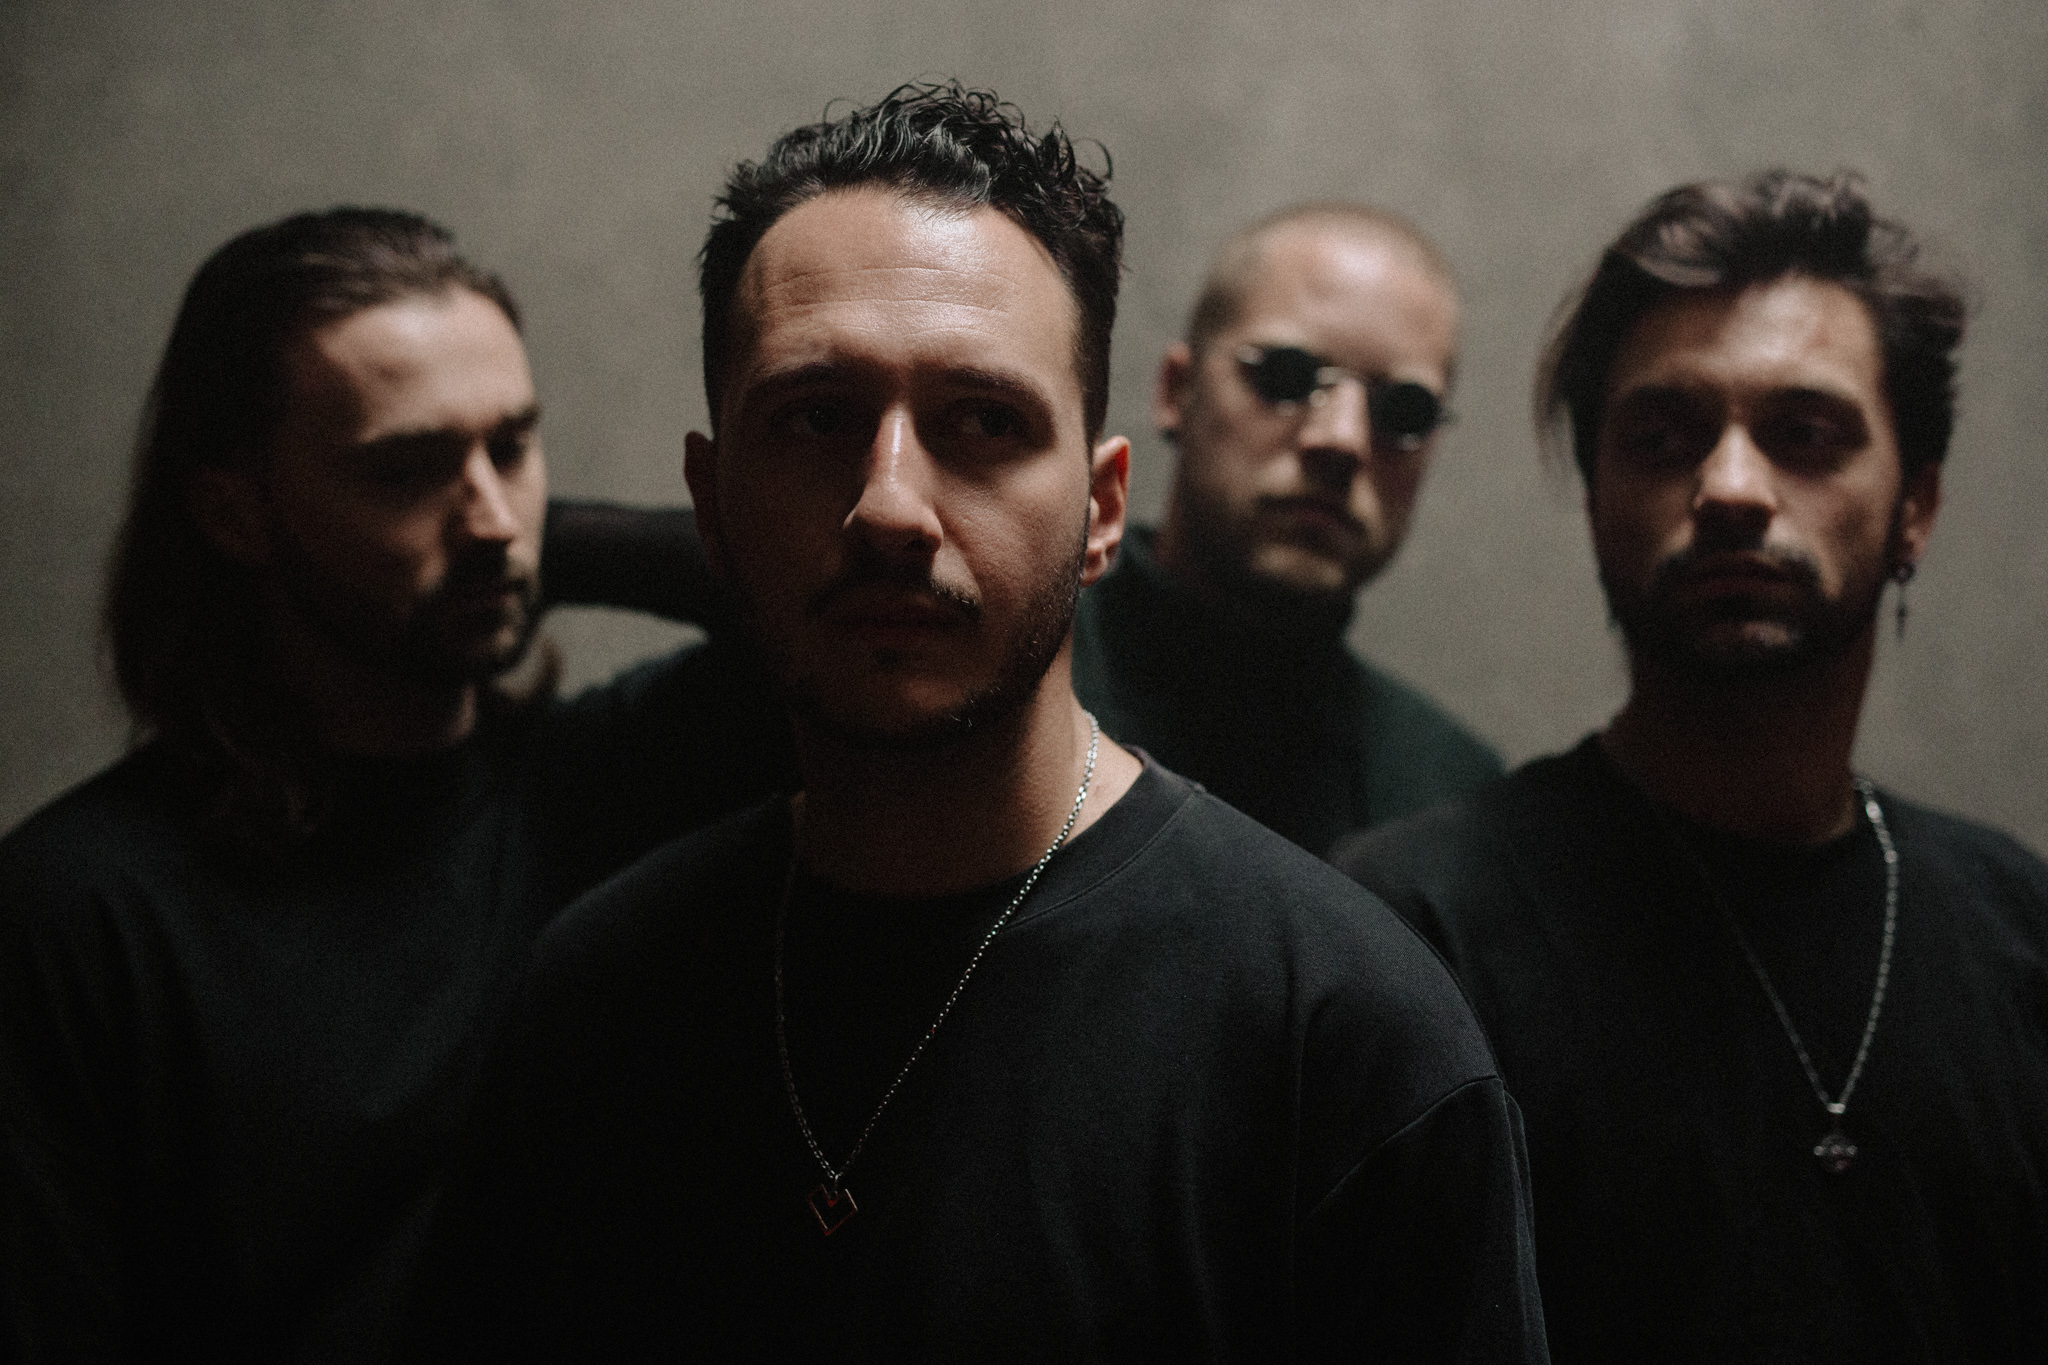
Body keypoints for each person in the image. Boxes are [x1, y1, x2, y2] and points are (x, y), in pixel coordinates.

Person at [403, 83, 1546, 1361]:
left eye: (984, 422)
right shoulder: (590, 1001)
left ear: (1100, 511)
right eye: (816, 418)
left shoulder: (1348, 1035)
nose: (891, 506)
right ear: (710, 504)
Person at [0, 209, 789, 1361]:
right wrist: (492, 538)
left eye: (510, 447)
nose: (489, 519)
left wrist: (521, 546)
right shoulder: (82, 915)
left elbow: (820, 608)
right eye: (404, 471)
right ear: (234, 513)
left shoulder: (617, 787)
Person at [1334, 171, 2048, 1361]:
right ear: (1595, 499)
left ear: (1914, 506)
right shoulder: (1408, 934)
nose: (1727, 489)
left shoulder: (2017, 935)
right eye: (1662, 439)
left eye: (1802, 435)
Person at [545, 200, 1497, 857]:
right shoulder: (963, 631)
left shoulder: (1446, 793)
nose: (1340, 441)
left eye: (1405, 411)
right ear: (1175, 390)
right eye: (1285, 377)